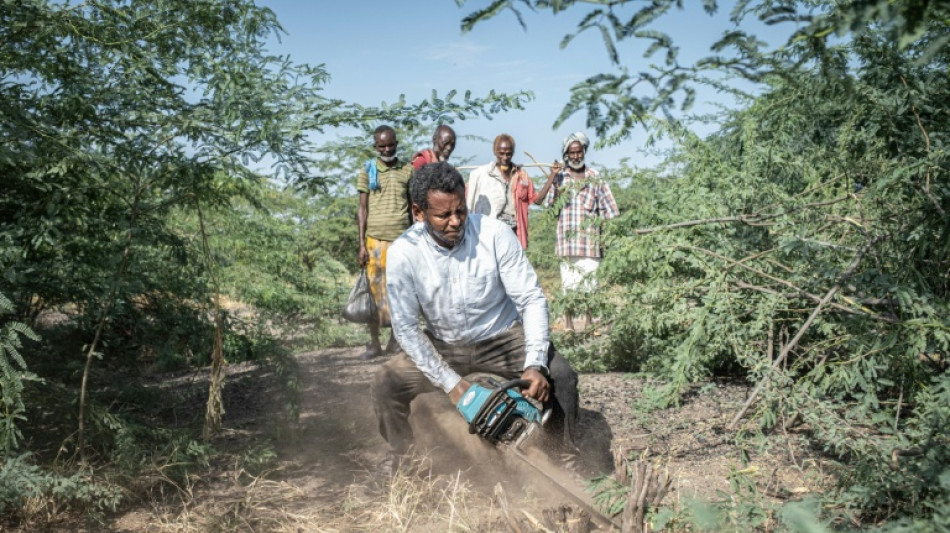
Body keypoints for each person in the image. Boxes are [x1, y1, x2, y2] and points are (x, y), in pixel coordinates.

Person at [372, 161, 579, 473]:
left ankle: (564, 457)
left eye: (461, 210)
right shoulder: (403, 252)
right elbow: (406, 329)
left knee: (561, 376)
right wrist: (452, 384)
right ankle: (406, 460)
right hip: (443, 345)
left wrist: (534, 365)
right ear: (418, 213)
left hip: (502, 337)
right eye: (443, 215)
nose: (455, 221)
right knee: (385, 384)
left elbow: (531, 299)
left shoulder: (495, 234)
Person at [543, 132, 620, 332]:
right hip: (566, 243)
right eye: (572, 153)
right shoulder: (560, 178)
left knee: (590, 285)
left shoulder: (595, 177)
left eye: (579, 152)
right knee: (568, 284)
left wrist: (604, 236)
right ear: (567, 154)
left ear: (584, 151)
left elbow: (609, 210)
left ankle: (588, 322)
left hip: (590, 241)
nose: (576, 156)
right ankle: (568, 324)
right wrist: (554, 183)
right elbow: (550, 208)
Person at [356, 125, 413, 360]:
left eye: (390, 145)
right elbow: (362, 208)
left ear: (396, 144)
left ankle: (394, 342)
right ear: (375, 147)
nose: (387, 149)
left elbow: (412, 207)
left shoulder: (408, 171)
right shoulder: (368, 171)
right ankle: (373, 343)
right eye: (382, 146)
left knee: (400, 292)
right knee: (373, 293)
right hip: (374, 242)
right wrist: (361, 243)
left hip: (401, 241)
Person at [466, 134, 556, 249]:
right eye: (501, 153)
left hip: (513, 232)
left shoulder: (521, 176)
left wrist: (553, 174)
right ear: (495, 152)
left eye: (508, 154)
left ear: (513, 153)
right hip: (490, 232)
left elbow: (537, 200)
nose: (505, 157)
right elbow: (467, 200)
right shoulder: (483, 175)